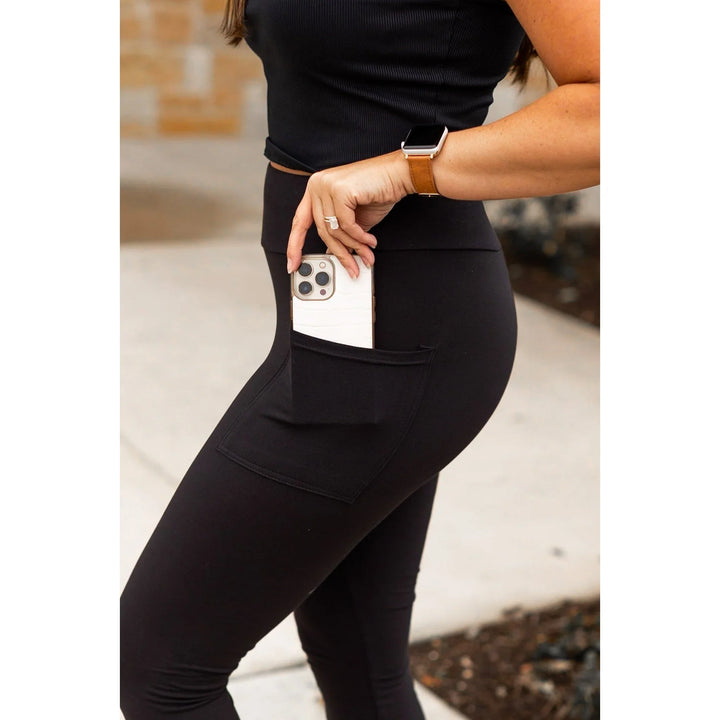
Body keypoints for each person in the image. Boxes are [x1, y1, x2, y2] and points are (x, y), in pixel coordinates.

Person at [120, 0, 599, 717]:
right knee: (354, 649)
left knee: (154, 667)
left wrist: (406, 170)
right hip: (338, 317)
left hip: (409, 333)